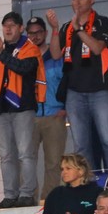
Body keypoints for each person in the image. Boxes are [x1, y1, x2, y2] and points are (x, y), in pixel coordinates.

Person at [0, 12, 44, 208]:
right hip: (0, 109)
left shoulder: (30, 49)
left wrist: (2, 54)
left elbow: (23, 68)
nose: (8, 28)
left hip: (23, 108)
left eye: (12, 25)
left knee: (25, 153)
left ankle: (26, 194)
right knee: (6, 155)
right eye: (5, 25)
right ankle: (10, 195)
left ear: (21, 28)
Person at [59, 0, 108, 170]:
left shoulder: (103, 22)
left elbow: (97, 48)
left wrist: (79, 29)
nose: (77, 3)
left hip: (100, 91)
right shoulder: (66, 27)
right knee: (81, 145)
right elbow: (56, 54)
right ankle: (88, 183)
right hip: (74, 93)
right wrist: (55, 30)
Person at [27, 16, 68, 201]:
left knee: (54, 162)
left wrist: (65, 107)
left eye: (38, 32)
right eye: (31, 33)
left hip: (54, 115)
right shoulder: (24, 57)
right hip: (30, 117)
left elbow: (68, 81)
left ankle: (49, 200)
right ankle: (29, 199)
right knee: (27, 161)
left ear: (45, 33)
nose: (35, 36)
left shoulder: (56, 56)